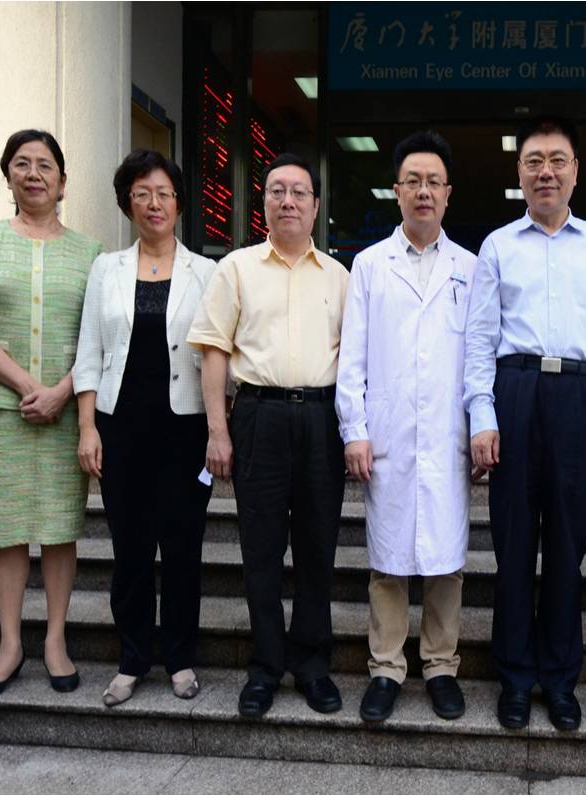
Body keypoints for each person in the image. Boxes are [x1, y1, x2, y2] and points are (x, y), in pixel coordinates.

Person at [465, 115, 586, 732]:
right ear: (520, 171)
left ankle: (560, 679)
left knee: (566, 547)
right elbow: (479, 340)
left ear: (576, 171)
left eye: (557, 160)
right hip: (515, 391)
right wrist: (482, 414)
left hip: (577, 397)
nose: (546, 172)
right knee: (512, 547)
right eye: (534, 161)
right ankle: (513, 676)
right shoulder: (498, 246)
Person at [188, 152, 350, 718]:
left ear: (315, 206)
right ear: (263, 203)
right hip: (258, 415)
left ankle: (312, 665)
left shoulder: (340, 277)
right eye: (277, 191)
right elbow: (213, 351)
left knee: (317, 548)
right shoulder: (236, 268)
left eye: (299, 192)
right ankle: (264, 667)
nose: (288, 201)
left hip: (322, 420)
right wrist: (218, 430)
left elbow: (355, 360)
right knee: (260, 549)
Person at [0, 129, 104, 702]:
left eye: (45, 165)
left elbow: (98, 337)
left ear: (63, 182)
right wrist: (27, 386)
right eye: (22, 163)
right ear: (8, 176)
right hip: (1, 410)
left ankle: (56, 640)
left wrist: (62, 392)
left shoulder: (90, 252)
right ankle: (10, 644)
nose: (34, 173)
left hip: (66, 412)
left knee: (61, 530)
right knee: (8, 532)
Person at [336, 131, 476, 723]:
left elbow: (480, 358)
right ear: (397, 191)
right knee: (388, 561)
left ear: (448, 193)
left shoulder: (471, 269)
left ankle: (441, 665)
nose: (424, 191)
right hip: (389, 435)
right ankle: (387, 667)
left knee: (446, 561)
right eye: (413, 181)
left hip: (447, 437)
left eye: (433, 182)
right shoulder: (370, 265)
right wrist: (355, 429)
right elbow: (352, 357)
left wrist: (480, 428)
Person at [73, 150, 216, 707]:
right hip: (121, 427)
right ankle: (132, 658)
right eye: (142, 194)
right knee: (129, 549)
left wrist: (220, 427)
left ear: (178, 203)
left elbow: (218, 356)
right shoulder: (106, 269)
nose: (153, 204)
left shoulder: (207, 272)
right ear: (127, 203)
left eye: (163, 193)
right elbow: (89, 352)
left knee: (182, 548)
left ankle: (180, 658)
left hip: (186, 430)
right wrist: (88, 427)